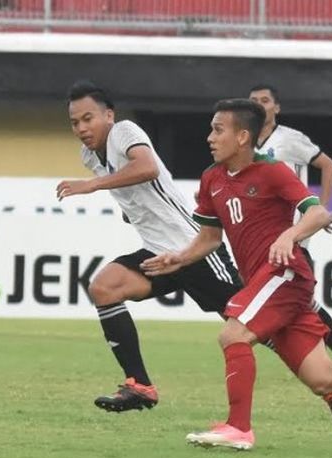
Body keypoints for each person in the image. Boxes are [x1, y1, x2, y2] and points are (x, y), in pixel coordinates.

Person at [141, 99, 332, 450]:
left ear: (243, 136)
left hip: (286, 274)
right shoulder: (212, 178)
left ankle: (239, 427)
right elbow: (210, 239)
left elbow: (319, 214)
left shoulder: (273, 171)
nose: (209, 137)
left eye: (218, 129)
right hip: (268, 281)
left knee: (233, 334)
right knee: (324, 379)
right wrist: (180, 258)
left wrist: (290, 234)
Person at [58, 81, 242, 413]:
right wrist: (131, 212)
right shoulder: (90, 154)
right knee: (104, 287)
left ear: (108, 116)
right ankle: (140, 386)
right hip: (158, 254)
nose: (82, 128)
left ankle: (330, 386)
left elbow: (147, 167)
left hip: (194, 249)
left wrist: (92, 186)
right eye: (75, 122)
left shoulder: (124, 131)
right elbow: (138, 188)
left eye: (88, 118)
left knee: (255, 325)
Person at [249, 84, 332, 361]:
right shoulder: (244, 141)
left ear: (277, 107)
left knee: (291, 298)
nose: (260, 105)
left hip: (292, 229)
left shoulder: (290, 139)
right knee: (301, 302)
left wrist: (321, 208)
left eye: (265, 100)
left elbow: (328, 165)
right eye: (254, 101)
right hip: (262, 230)